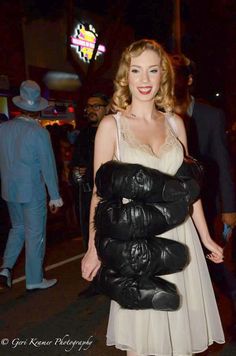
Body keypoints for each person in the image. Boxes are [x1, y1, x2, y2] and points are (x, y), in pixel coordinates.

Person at [81, 39, 225, 355]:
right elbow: (99, 193)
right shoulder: (111, 126)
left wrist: (206, 237)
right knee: (148, 336)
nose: (144, 80)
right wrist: (93, 248)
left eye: (152, 70)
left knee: (181, 332)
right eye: (136, 70)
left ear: (163, 76)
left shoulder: (175, 122)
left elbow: (188, 188)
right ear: (125, 76)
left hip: (180, 235)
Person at [171, 54, 236, 299]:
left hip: (205, 205)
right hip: (170, 209)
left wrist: (229, 208)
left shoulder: (211, 116)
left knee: (216, 264)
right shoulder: (157, 117)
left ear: (188, 80)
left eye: (176, 76)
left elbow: (222, 162)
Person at [0, 80, 63, 291]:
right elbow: (48, 167)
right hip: (32, 190)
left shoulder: (3, 129)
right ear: (37, 108)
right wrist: (54, 196)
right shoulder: (39, 132)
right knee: (35, 235)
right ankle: (34, 279)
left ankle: (5, 268)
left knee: (16, 229)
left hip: (10, 190)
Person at [70, 93, 109, 249]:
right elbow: (75, 161)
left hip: (107, 196)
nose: (91, 110)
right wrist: (76, 172)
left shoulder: (112, 130)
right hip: (85, 195)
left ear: (106, 108)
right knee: (88, 235)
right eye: (89, 107)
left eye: (96, 106)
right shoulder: (83, 133)